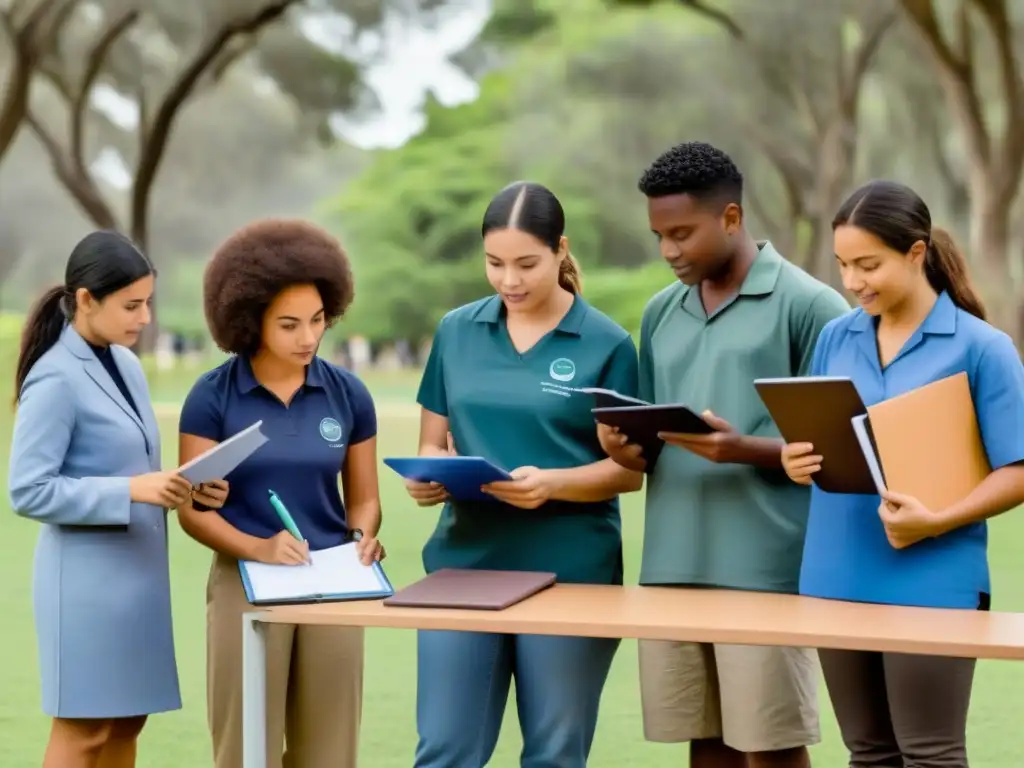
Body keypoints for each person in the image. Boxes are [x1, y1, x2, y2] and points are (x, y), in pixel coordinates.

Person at [599, 142, 851, 768]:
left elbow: (845, 449)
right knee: (703, 742)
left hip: (765, 566)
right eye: (659, 235)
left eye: (682, 233)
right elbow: (654, 447)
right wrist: (623, 448)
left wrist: (744, 449)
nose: (669, 252)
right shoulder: (661, 312)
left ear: (732, 218)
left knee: (771, 744)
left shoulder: (810, 305)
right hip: (672, 562)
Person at [783, 180, 1024, 768]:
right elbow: (820, 436)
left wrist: (937, 521)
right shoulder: (835, 337)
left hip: (932, 578)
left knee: (930, 754)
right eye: (842, 265)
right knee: (867, 752)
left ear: (917, 254)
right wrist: (796, 460)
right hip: (835, 571)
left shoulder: (982, 348)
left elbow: (1017, 470)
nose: (852, 282)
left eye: (869, 264)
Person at [404, 181, 643, 768]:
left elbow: (628, 471)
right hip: (464, 567)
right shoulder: (456, 331)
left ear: (561, 250)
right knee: (444, 750)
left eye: (526, 264)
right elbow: (431, 443)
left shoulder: (608, 343)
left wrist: (553, 484)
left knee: (555, 754)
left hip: (571, 570)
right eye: (494, 263)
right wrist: (425, 481)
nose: (509, 280)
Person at [7, 230, 229, 768]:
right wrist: (132, 490)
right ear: (86, 300)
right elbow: (28, 489)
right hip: (84, 587)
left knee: (128, 722)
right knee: (84, 730)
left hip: (137, 579)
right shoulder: (54, 378)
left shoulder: (125, 364)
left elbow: (130, 466)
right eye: (132, 305)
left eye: (148, 302)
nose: (145, 318)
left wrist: (185, 484)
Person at [176, 219, 385, 768]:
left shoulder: (349, 394)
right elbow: (192, 512)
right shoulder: (211, 397)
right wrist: (258, 547)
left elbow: (363, 497)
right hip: (245, 583)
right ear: (251, 322)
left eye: (317, 320)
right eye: (289, 324)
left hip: (334, 585)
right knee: (247, 751)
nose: (309, 338)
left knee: (329, 752)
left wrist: (363, 536)